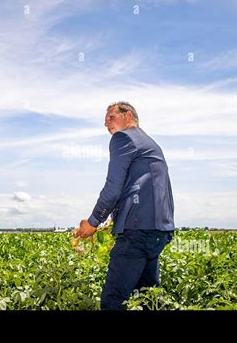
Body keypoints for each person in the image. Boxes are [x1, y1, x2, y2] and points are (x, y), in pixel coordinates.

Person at [75, 102, 175, 310]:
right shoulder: (149, 143)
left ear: (127, 115)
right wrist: (117, 219)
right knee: (149, 298)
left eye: (111, 117)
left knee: (113, 301)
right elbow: (140, 189)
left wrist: (93, 222)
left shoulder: (124, 138)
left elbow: (113, 187)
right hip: (157, 231)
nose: (106, 123)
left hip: (136, 233)